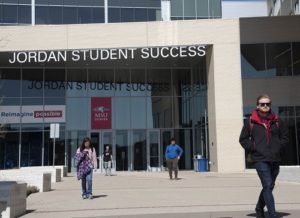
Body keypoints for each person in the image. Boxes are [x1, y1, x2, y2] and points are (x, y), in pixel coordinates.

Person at [239, 94, 289, 218]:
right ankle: (272, 215)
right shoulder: (250, 121)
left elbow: (285, 137)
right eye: (262, 104)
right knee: (267, 185)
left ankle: (258, 208)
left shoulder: (277, 121)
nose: (265, 106)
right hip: (260, 159)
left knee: (270, 186)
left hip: (275, 158)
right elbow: (243, 139)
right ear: (257, 106)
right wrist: (255, 148)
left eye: (267, 104)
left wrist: (278, 147)